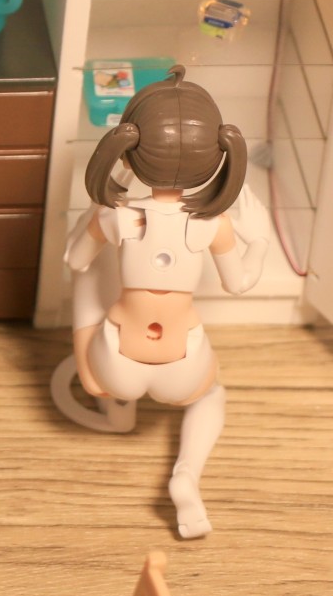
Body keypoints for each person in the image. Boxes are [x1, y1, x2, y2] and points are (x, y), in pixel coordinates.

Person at [57, 66, 267, 538]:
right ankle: (186, 476)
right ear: (216, 156)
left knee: (93, 282)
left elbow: (74, 260)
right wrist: (260, 241)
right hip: (182, 362)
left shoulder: (117, 217)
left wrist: (99, 208)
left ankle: (120, 410)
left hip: (117, 361)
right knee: (211, 394)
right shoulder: (212, 224)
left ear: (129, 153)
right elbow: (239, 283)